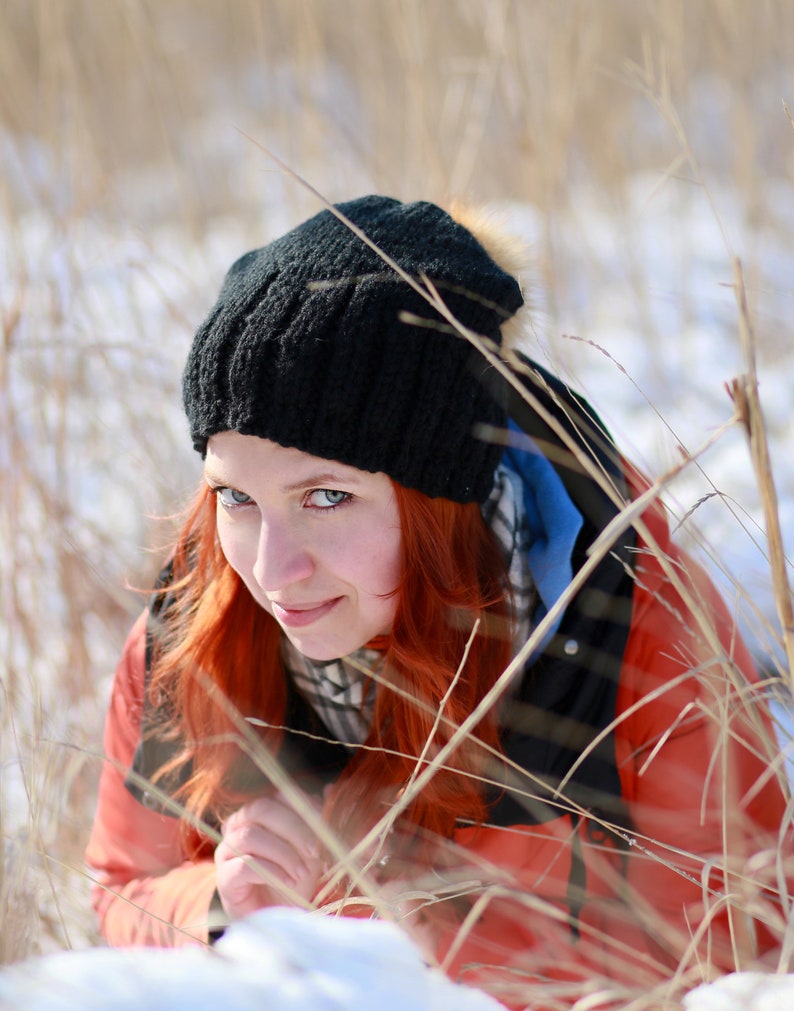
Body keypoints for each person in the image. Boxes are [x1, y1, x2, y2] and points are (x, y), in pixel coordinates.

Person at [86, 196, 789, 1009]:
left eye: (326, 498)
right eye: (237, 497)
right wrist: (220, 907)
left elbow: (741, 947)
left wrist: (390, 926)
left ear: (440, 501)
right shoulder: (196, 623)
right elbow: (122, 884)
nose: (272, 570)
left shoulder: (633, 626)